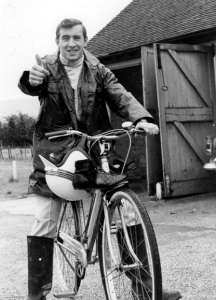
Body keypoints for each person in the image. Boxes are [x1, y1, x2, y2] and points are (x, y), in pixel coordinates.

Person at [18, 18, 182, 300]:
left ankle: (142, 286)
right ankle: (38, 294)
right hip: (55, 152)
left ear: (85, 40)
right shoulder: (45, 67)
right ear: (57, 40)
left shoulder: (98, 69)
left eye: (77, 38)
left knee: (128, 210)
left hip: (95, 148)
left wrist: (141, 118)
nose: (71, 43)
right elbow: (32, 85)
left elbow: (120, 94)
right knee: (46, 218)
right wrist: (30, 80)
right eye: (65, 38)